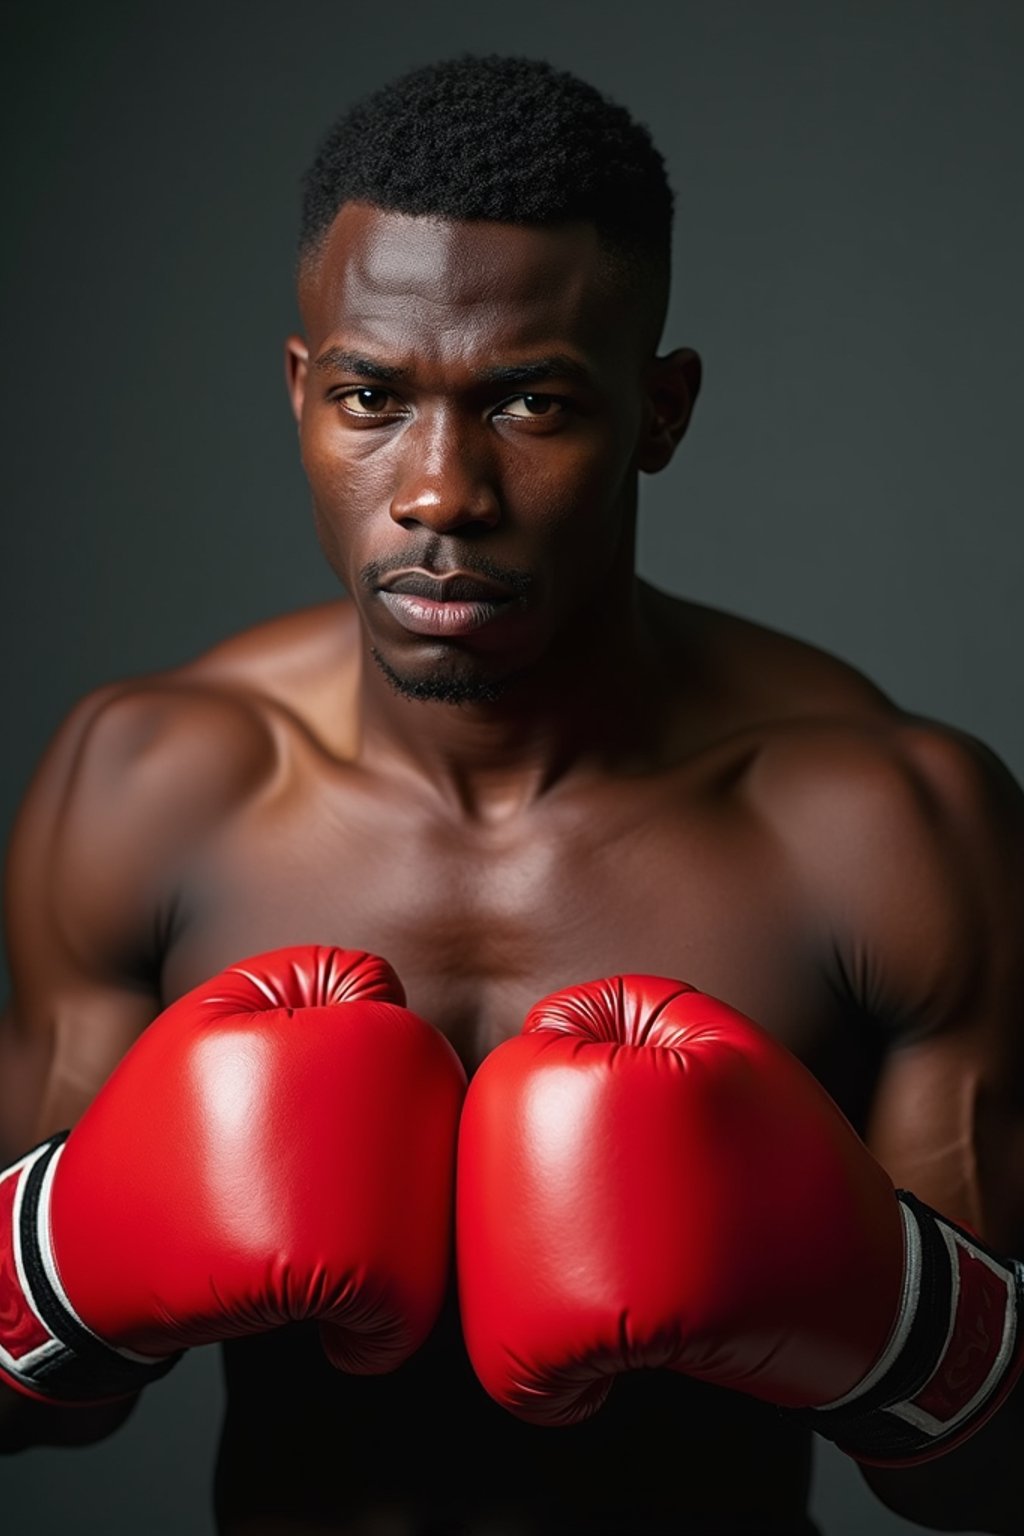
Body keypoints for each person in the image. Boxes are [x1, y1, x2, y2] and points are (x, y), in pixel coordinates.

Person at [0, 52, 1022, 1536]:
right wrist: (76, 1265)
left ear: (658, 412)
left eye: (531, 406)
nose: (439, 493)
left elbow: (993, 1481)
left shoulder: (889, 826)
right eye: (370, 398)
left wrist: (878, 1311)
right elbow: (42, 1418)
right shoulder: (149, 783)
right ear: (300, 396)